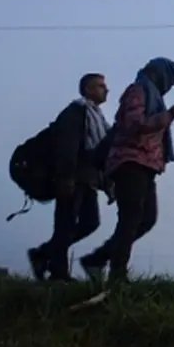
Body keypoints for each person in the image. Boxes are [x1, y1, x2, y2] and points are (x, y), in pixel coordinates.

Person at [79, 58, 174, 284]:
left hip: (146, 165)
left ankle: (97, 259)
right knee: (131, 218)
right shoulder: (138, 91)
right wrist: (170, 115)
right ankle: (117, 274)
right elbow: (135, 124)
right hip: (130, 162)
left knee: (146, 218)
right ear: (159, 74)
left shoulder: (153, 96)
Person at [27, 73, 111, 282]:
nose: (106, 89)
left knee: (90, 222)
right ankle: (58, 274)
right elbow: (67, 147)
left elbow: (101, 152)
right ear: (88, 90)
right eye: (100, 86)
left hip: (88, 179)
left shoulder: (97, 117)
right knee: (64, 225)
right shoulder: (75, 112)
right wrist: (65, 178)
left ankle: (43, 254)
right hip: (72, 178)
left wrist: (107, 183)